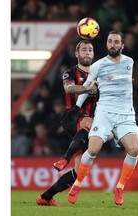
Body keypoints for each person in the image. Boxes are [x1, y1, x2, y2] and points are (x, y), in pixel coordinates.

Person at [68, 31, 138, 206]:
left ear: (122, 45)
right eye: (110, 41)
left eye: (116, 42)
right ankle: (77, 184)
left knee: (134, 150)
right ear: (107, 44)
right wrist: (77, 108)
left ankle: (120, 187)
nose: (113, 44)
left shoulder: (130, 62)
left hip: (126, 114)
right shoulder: (98, 65)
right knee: (92, 150)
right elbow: (86, 86)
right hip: (105, 113)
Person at [36, 40, 98, 206]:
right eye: (83, 50)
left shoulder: (99, 74)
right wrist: (89, 88)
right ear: (77, 54)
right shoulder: (70, 73)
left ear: (93, 54)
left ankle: (45, 197)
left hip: (83, 130)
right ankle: (64, 159)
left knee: (79, 173)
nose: (87, 52)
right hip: (72, 116)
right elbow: (69, 89)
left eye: (90, 50)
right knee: (90, 122)